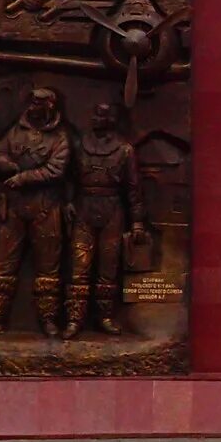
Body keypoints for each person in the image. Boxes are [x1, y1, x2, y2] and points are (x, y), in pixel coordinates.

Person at [0, 87, 74, 338]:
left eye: (39, 104)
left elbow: (56, 170)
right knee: (2, 266)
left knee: (49, 269)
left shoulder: (61, 138)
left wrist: (24, 177)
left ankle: (48, 321)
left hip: (45, 208)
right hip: (14, 208)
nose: (33, 107)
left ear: (50, 107)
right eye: (32, 102)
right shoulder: (16, 131)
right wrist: (5, 164)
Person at [65, 99, 146, 337]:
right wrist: (69, 200)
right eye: (95, 115)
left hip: (112, 210)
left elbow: (134, 189)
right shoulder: (79, 144)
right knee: (79, 266)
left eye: (102, 116)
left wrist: (138, 220)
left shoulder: (125, 150)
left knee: (108, 267)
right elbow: (68, 177)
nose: (96, 120)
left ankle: (105, 317)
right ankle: (74, 320)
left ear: (112, 120)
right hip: (84, 208)